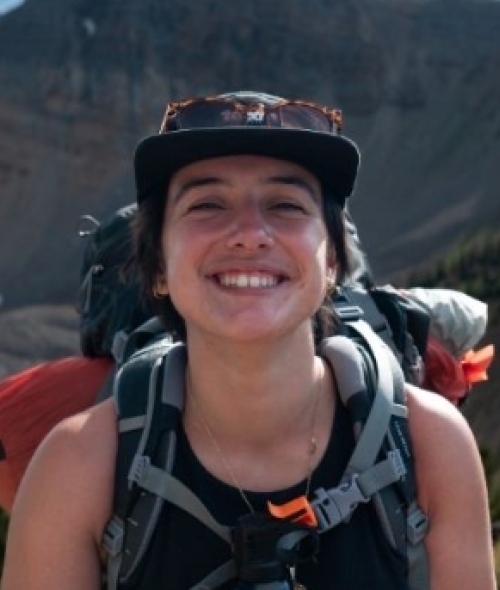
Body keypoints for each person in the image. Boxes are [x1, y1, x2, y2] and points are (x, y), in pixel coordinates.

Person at [1, 91, 495, 590]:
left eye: (286, 204)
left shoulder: (431, 447)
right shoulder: (76, 468)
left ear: (332, 265)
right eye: (207, 203)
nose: (250, 233)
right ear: (157, 270)